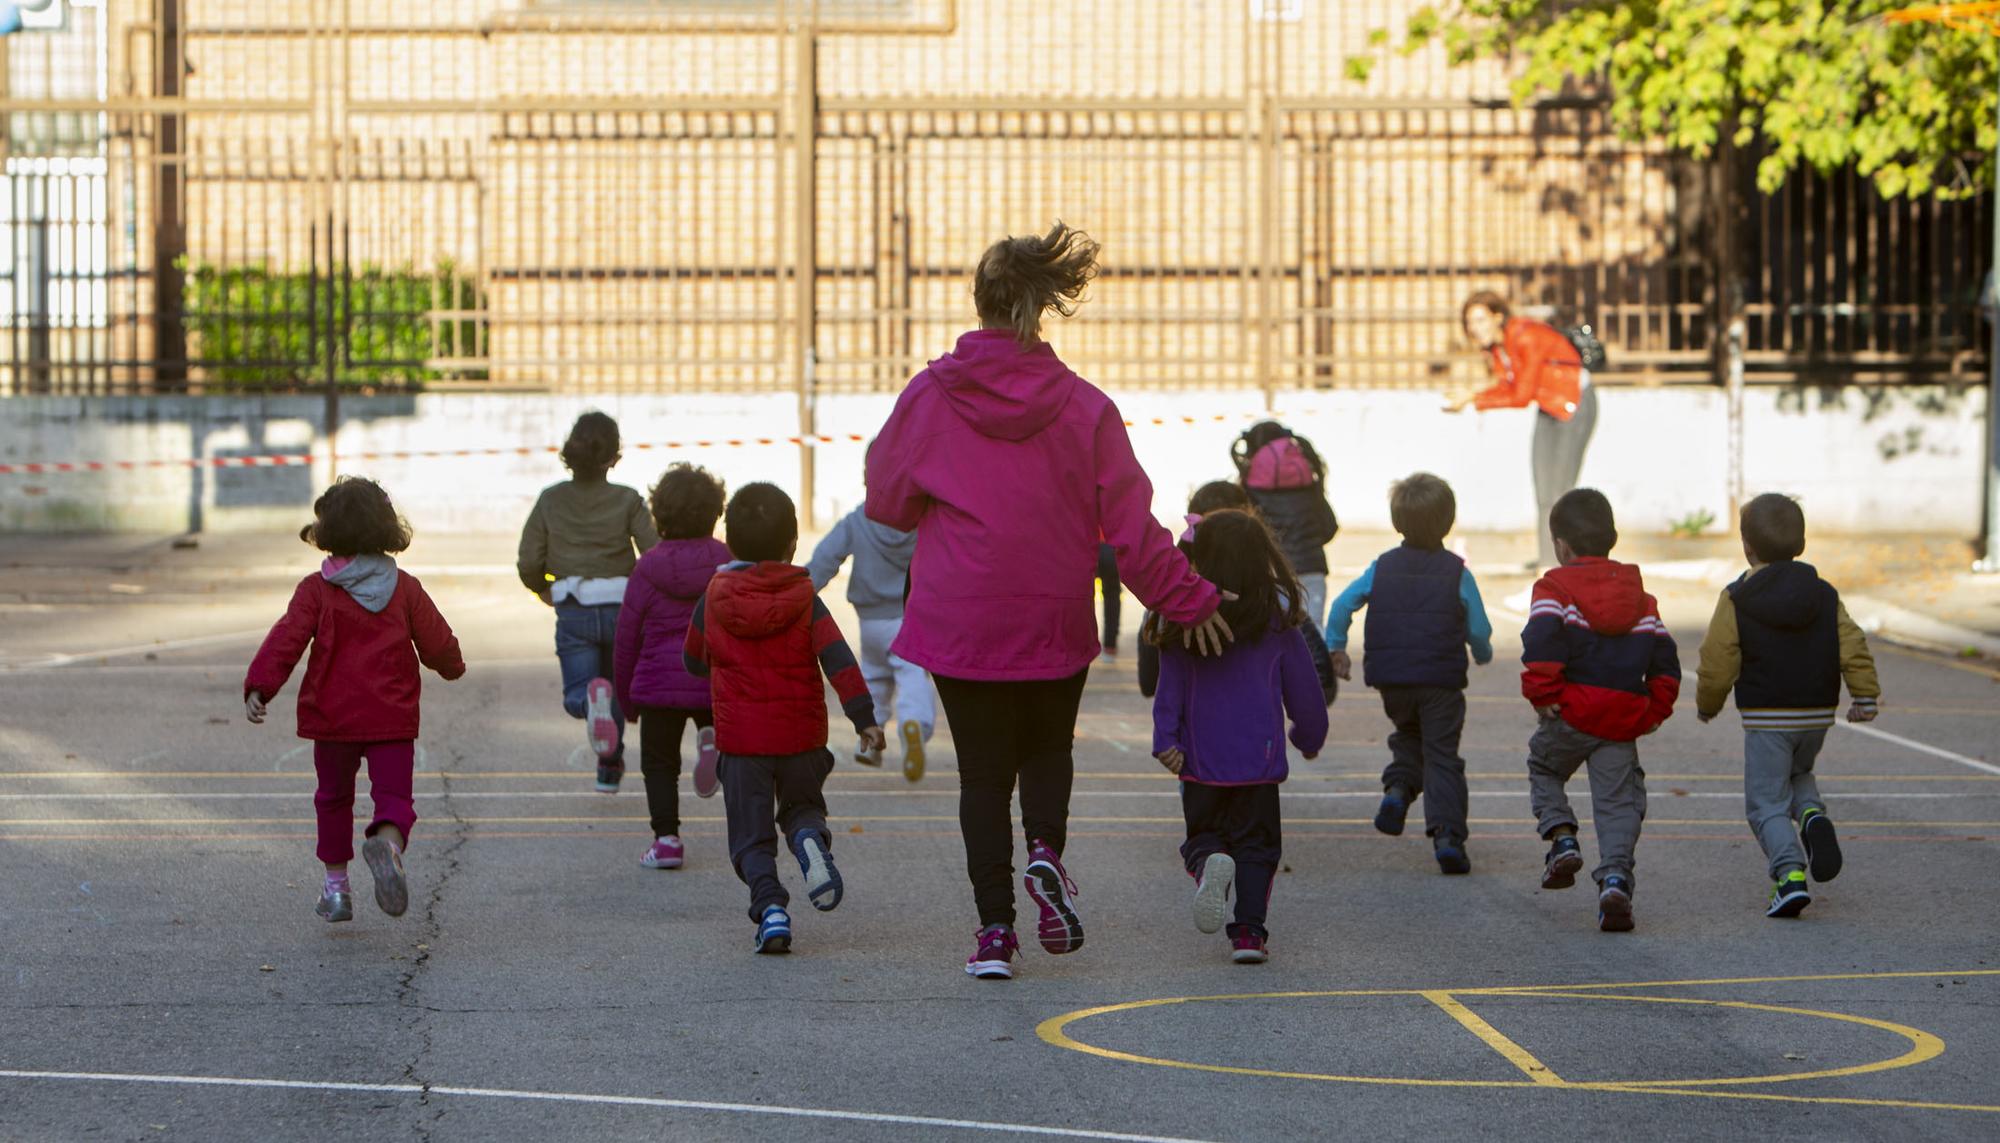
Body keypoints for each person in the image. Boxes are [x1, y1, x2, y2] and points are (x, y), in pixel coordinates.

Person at [865, 221, 1230, 981]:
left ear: (981, 301)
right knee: (1046, 750)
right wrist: (1190, 599)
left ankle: (995, 932)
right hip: (1052, 611)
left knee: (980, 775)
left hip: (962, 612)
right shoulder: (1085, 406)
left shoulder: (930, 396)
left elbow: (887, 501)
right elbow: (1132, 530)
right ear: (1044, 307)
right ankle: (1045, 851)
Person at [244, 477, 464, 924]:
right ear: (387, 528)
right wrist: (451, 666)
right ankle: (388, 844)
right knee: (395, 798)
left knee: (333, 799)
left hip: (333, 718)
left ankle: (337, 890)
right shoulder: (404, 588)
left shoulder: (315, 591)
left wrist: (259, 686)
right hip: (392, 718)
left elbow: (286, 640)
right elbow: (438, 642)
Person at [683, 483, 885, 954]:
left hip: (742, 744)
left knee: (751, 839)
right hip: (801, 738)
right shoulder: (805, 597)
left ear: (729, 542)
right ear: (793, 543)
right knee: (801, 808)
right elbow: (839, 660)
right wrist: (864, 719)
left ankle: (771, 908)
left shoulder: (713, 596)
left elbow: (692, 660)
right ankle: (810, 839)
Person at [1149, 511, 1329, 964]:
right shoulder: (1277, 624)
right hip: (1258, 763)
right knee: (1258, 849)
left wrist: (1165, 738)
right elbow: (1306, 693)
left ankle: (1210, 863)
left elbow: (1168, 687)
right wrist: (1308, 736)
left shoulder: (1182, 623)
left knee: (1203, 837)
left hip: (1199, 761)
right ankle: (1248, 934)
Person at [1695, 493, 1882, 919]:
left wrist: (1709, 702)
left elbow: (1718, 656)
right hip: (1816, 713)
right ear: (1801, 543)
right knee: (1798, 773)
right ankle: (1812, 814)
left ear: (1747, 545)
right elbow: (1852, 644)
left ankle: (1789, 875)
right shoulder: (1823, 593)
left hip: (1767, 716)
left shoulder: (1737, 597)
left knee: (1764, 802)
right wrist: (1865, 695)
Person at [1519, 489, 1680, 933]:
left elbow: (1542, 642)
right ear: (1611, 538)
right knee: (1618, 804)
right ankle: (1615, 879)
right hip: (1620, 718)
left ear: (1562, 545)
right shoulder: (1641, 598)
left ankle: (1562, 837)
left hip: (1569, 711)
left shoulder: (1553, 587)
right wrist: (1653, 711)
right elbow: (1666, 662)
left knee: (1544, 769)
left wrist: (1542, 692)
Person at [1323, 473, 1493, 874]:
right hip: (1440, 680)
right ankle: (1448, 835)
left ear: (1397, 521)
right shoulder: (1457, 572)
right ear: (1448, 522)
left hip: (1392, 679)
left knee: (1410, 734)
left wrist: (1336, 646)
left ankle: (1399, 789)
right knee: (1442, 755)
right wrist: (1481, 652)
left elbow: (1343, 605)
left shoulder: (1381, 567)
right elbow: (1479, 628)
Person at [516, 412, 659, 793]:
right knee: (611, 684)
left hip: (573, 605)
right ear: (614, 457)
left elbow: (529, 558)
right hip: (622, 608)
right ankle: (609, 766)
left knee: (582, 690)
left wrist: (542, 588)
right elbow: (654, 553)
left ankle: (586, 706)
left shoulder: (550, 499)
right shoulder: (628, 499)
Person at [613, 462, 732, 871]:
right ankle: (742, 831)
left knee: (659, 763)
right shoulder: (726, 562)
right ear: (715, 512)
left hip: (657, 685)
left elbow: (626, 636)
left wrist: (625, 698)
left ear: (658, 514)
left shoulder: (647, 566)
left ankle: (666, 841)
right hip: (712, 680)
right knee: (734, 758)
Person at [1138, 480, 1337, 708]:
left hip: (1190, 732)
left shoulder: (1171, 601)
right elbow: (1322, 683)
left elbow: (1149, 681)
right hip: (1258, 733)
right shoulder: (1273, 599)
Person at [1448, 291, 1593, 572]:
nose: (1474, 328)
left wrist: (1473, 399)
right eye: (1469, 322)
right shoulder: (1499, 349)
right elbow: (1508, 386)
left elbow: (1521, 394)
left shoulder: (1525, 336)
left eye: (1480, 319)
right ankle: (1550, 560)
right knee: (1544, 489)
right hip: (1550, 406)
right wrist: (1471, 393)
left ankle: (1569, 563)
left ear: (1498, 317)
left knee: (1561, 489)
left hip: (1575, 401)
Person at [806, 491, 933, 782]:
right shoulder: (922, 520)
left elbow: (826, 557)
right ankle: (914, 724)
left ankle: (868, 742)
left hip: (870, 621)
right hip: (908, 616)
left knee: (875, 678)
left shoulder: (857, 519)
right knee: (911, 674)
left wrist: (802, 591)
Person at [1232, 422, 1338, 627]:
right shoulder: (1308, 481)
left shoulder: (1250, 486)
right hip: (1312, 567)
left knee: (1280, 633)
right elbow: (1329, 527)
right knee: (1313, 633)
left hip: (1273, 572)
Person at [1096, 538, 1123, 661]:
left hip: (1085, 544)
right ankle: (1110, 646)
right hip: (1110, 546)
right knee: (1112, 596)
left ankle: (1082, 645)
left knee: (1082, 596)